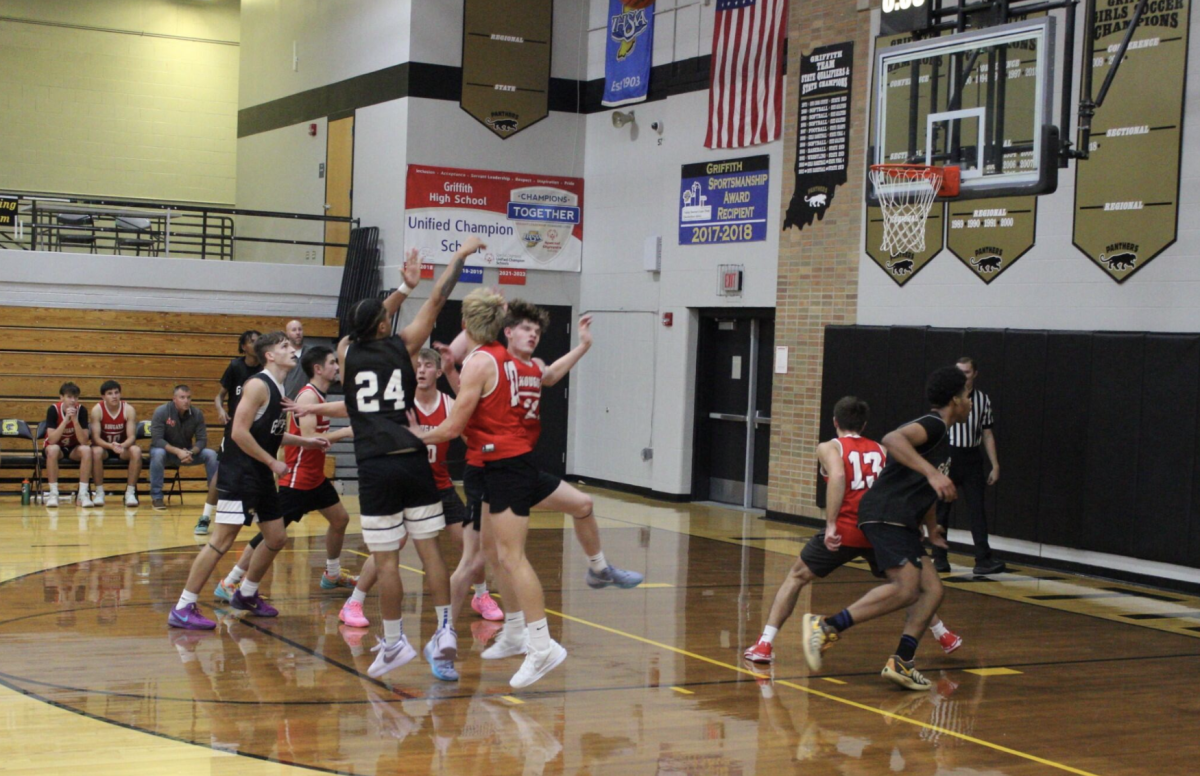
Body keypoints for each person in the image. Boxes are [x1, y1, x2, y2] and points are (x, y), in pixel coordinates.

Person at [308, 241, 481, 681]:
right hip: (413, 458)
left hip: (376, 467)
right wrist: (456, 257)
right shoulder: (404, 347)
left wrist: (400, 290)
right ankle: (444, 630)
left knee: (386, 561)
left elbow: (368, 320)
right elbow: (438, 298)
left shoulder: (346, 351)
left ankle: (394, 640)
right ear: (386, 324)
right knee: (431, 552)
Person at [414, 289, 568, 689]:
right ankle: (510, 633)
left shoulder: (486, 362)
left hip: (500, 463)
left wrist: (410, 439)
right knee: (486, 556)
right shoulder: (496, 356)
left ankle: (537, 642)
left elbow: (452, 427)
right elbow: (465, 342)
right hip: (484, 466)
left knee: (502, 558)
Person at [743, 396, 961, 665]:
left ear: (835, 421)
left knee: (797, 576)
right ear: (865, 423)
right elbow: (911, 486)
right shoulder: (882, 449)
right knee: (906, 584)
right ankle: (943, 634)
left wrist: (831, 523)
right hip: (881, 528)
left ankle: (765, 643)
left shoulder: (829, 447)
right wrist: (921, 526)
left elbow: (837, 476)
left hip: (848, 527)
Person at [799, 366, 972, 691]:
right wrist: (933, 474)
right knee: (906, 588)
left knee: (933, 590)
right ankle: (826, 626)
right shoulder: (933, 424)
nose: (970, 403)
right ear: (955, 400)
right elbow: (893, 439)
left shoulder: (943, 439)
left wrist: (933, 528)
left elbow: (926, 488)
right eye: (967, 396)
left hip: (904, 519)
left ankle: (902, 661)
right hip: (886, 513)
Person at [167, 331, 329, 630]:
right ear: (270, 355)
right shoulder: (257, 385)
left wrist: (309, 442)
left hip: (260, 474)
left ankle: (247, 594)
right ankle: (183, 605)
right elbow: (238, 432)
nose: (293, 349)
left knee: (277, 537)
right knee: (221, 541)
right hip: (241, 472)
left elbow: (271, 433)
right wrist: (272, 461)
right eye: (284, 346)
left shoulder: (279, 388)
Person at [213, 345, 359, 602]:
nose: (337, 367)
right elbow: (310, 437)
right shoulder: (307, 397)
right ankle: (231, 580)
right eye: (333, 362)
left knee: (340, 519)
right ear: (318, 369)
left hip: (315, 477)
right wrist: (345, 432)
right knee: (271, 535)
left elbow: (346, 407)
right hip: (298, 479)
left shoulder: (318, 397)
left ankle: (332, 574)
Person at [933, 356, 1005, 576]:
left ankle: (983, 559)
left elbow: (987, 433)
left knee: (977, 510)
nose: (962, 376)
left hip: (972, 458)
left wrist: (995, 464)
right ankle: (939, 559)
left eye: (966, 372)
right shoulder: (947, 397)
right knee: (942, 509)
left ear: (975, 374)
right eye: (959, 372)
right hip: (950, 455)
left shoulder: (983, 399)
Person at [196, 330, 261, 535]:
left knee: (260, 470)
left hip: (258, 429)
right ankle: (206, 516)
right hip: (235, 429)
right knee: (222, 471)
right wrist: (221, 409)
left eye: (259, 341)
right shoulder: (235, 367)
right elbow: (219, 396)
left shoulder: (265, 370)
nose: (256, 344)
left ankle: (259, 513)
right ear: (243, 347)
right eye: (252, 341)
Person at [149, 385, 218, 511]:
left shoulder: (197, 414)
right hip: (166, 453)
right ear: (174, 399)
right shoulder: (162, 411)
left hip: (187, 453)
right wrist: (178, 451)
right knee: (158, 453)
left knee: (211, 454)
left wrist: (191, 452)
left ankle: (215, 497)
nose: (186, 401)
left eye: (188, 397)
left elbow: (202, 440)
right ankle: (156, 497)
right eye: (182, 397)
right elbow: (157, 440)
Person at [89, 380, 141, 508]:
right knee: (96, 451)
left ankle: (130, 492)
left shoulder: (128, 409)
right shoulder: (97, 410)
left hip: (122, 448)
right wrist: (111, 446)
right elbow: (95, 438)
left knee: (136, 450)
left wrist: (121, 446)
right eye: (110, 393)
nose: (114, 396)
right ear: (103, 397)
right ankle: (99, 492)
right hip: (104, 448)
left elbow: (132, 437)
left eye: (116, 393)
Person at [43, 382, 94, 508]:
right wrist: (66, 420)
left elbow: (83, 441)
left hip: (73, 448)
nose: (73, 400)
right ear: (61, 397)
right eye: (69, 397)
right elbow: (52, 440)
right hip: (57, 447)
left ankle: (82, 494)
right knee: (53, 449)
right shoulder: (53, 410)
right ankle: (53, 494)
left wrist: (75, 421)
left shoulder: (81, 410)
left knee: (87, 450)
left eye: (75, 397)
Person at [283, 319, 309, 399]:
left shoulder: (311, 353)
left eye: (300, 329)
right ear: (287, 334)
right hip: (286, 404)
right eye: (294, 330)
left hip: (307, 402)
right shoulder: (283, 354)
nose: (298, 333)